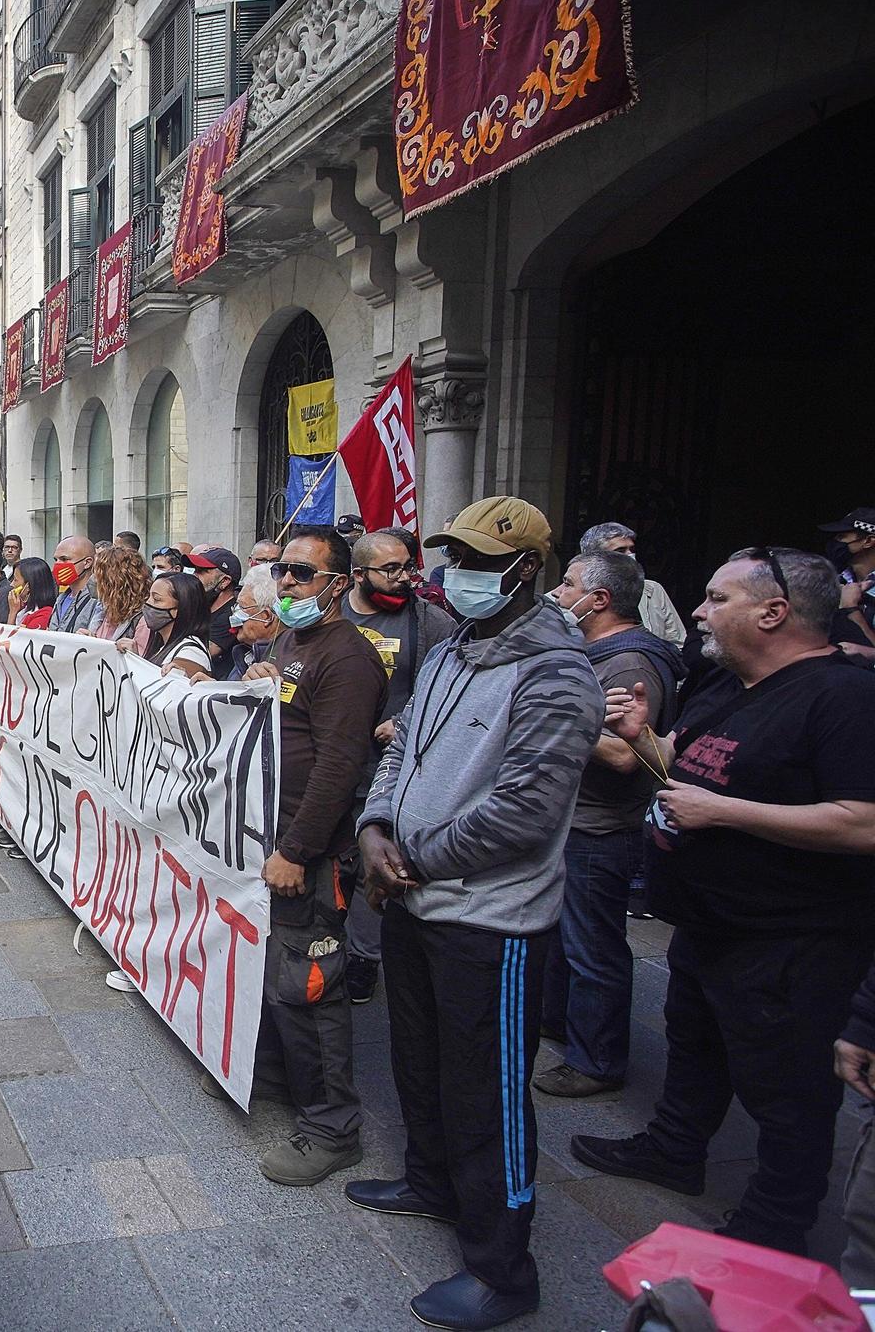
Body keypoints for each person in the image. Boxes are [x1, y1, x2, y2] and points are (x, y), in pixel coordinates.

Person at [570, 546, 875, 1260]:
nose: (699, 611)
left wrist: (727, 815)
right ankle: (675, 1149)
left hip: (792, 941)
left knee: (788, 1090)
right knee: (694, 1043)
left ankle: (777, 1224)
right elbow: (681, 765)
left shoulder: (843, 698)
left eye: (716, 597)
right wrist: (640, 737)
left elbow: (863, 820)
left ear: (774, 612)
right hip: (710, 925)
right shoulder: (725, 684)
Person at [353, 496, 601, 1331]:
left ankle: (503, 1269)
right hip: (412, 899)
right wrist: (375, 827)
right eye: (452, 559)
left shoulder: (558, 674)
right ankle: (430, 1182)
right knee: (417, 1059)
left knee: (486, 1088)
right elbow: (404, 749)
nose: (455, 576)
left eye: (479, 564)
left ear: (526, 572)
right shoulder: (455, 647)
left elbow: (525, 812)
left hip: (489, 921)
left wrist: (413, 863)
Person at [235, 526, 388, 1189]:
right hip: (267, 837)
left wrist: (298, 849)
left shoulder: (350, 659)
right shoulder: (291, 638)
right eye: (284, 574)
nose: (289, 584)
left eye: (303, 573)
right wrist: (258, 677)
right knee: (273, 969)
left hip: (308, 851)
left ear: (339, 583)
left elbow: (339, 765)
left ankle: (332, 1129)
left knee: (310, 985)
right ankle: (276, 1076)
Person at [531, 551, 682, 1097]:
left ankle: (596, 1060)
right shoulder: (588, 651)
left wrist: (551, 717)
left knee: (593, 947)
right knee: (564, 940)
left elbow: (626, 756)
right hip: (568, 821)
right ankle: (560, 1024)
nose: (557, 592)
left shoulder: (631, 664)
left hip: (599, 831)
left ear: (599, 599)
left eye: (567, 584)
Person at [338, 530, 458, 1004]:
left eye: (408, 567)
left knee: (375, 861)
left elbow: (450, 686)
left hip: (389, 771)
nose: (405, 578)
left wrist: (406, 720)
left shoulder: (433, 623)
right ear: (357, 574)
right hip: (333, 764)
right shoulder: (329, 611)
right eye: (390, 569)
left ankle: (363, 958)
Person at [579, 522, 686, 647]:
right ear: (595, 558)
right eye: (620, 550)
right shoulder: (567, 596)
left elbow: (677, 642)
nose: (630, 555)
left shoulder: (653, 589)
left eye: (632, 549)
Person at [134, 571, 216, 682]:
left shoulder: (191, 652)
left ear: (180, 609)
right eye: (149, 596)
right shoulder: (162, 645)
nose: (148, 603)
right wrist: (134, 658)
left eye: (157, 599)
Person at [819, 506, 875, 659]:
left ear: (868, 541)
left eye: (842, 536)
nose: (836, 542)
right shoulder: (833, 580)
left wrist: (850, 607)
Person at [186, 547, 243, 677]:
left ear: (224, 581)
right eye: (195, 570)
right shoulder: (206, 602)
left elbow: (202, 653)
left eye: (202, 571)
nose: (194, 575)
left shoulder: (232, 614)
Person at [225, 564, 284, 675]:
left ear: (266, 616)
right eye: (236, 605)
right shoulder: (246, 653)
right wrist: (214, 687)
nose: (235, 612)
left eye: (242, 607)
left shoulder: (283, 663)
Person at [85, 544, 150, 642]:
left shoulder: (143, 620)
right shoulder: (104, 610)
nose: (93, 579)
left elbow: (139, 655)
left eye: (97, 575)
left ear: (113, 582)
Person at [48, 536, 104, 634]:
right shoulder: (61, 598)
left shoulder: (99, 599)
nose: (58, 564)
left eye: (64, 559)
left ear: (87, 563)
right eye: (56, 559)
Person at [8, 556, 57, 629]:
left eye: (15, 580)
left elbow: (9, 637)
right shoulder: (23, 606)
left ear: (28, 586)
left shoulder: (44, 614)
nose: (11, 584)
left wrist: (12, 613)